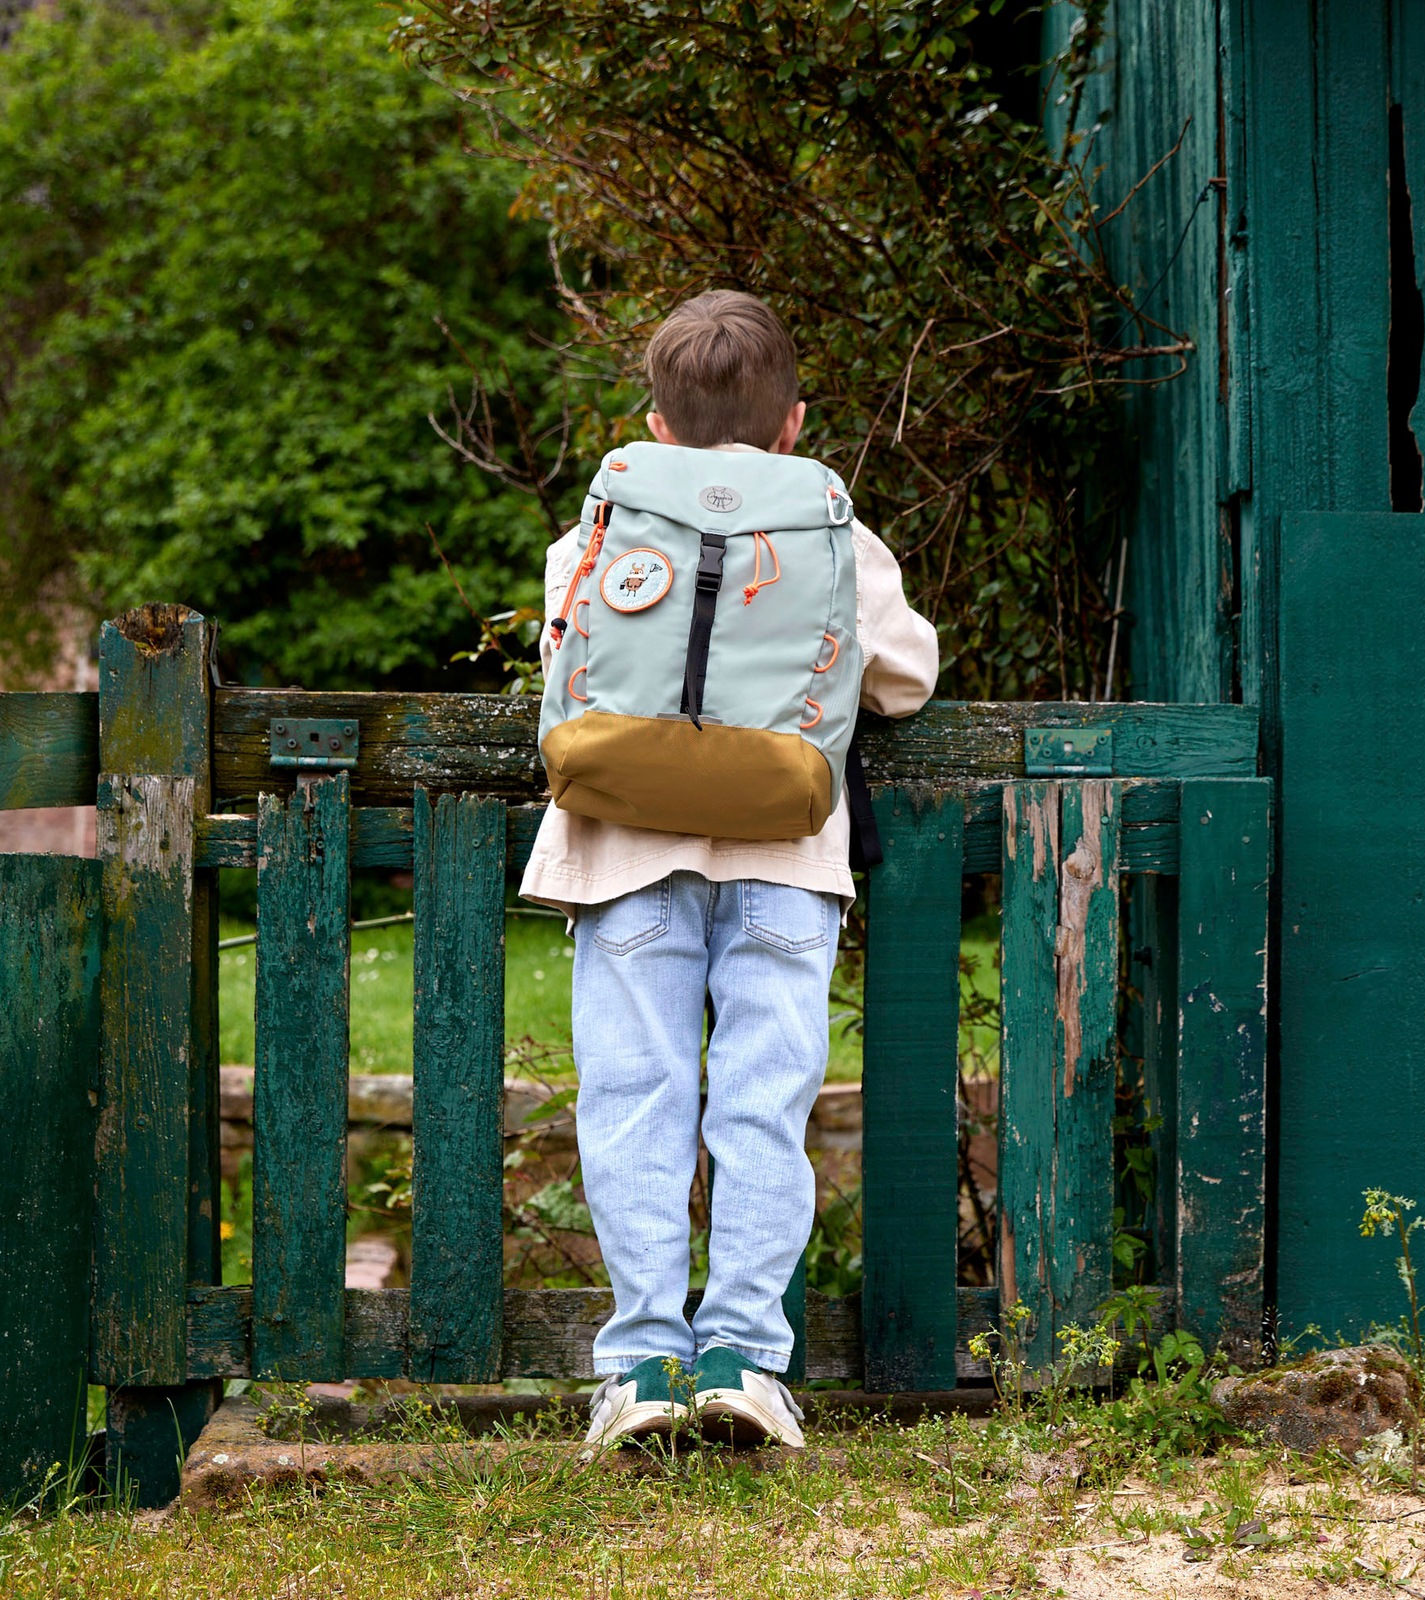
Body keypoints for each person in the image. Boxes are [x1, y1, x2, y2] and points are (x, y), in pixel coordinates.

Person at [519, 290, 939, 1450]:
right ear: (793, 422)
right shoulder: (834, 530)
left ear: (655, 424)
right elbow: (906, 678)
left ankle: (644, 1365)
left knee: (634, 1100)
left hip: (625, 852)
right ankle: (744, 1361)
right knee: (763, 1104)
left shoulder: (598, 528)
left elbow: (567, 664)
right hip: (784, 852)